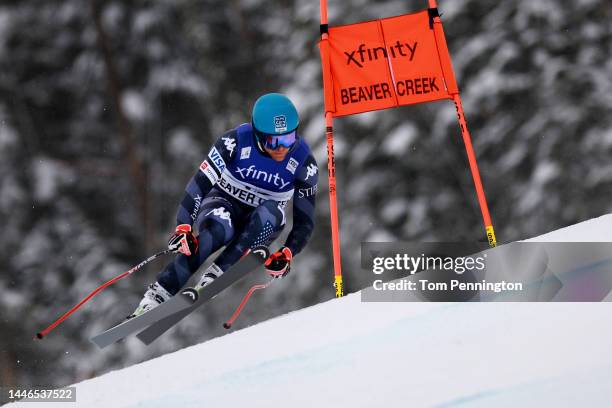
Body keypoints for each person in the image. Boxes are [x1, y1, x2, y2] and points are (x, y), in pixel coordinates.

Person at [129, 93, 319, 318]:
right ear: (258, 134)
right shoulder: (233, 142)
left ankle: (218, 274)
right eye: (273, 141)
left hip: (263, 221)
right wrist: (184, 226)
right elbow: (198, 185)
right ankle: (158, 294)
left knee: (269, 214)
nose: (282, 148)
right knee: (219, 228)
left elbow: (305, 220)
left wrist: (288, 252)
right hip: (223, 202)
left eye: (288, 139)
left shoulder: (304, 163)